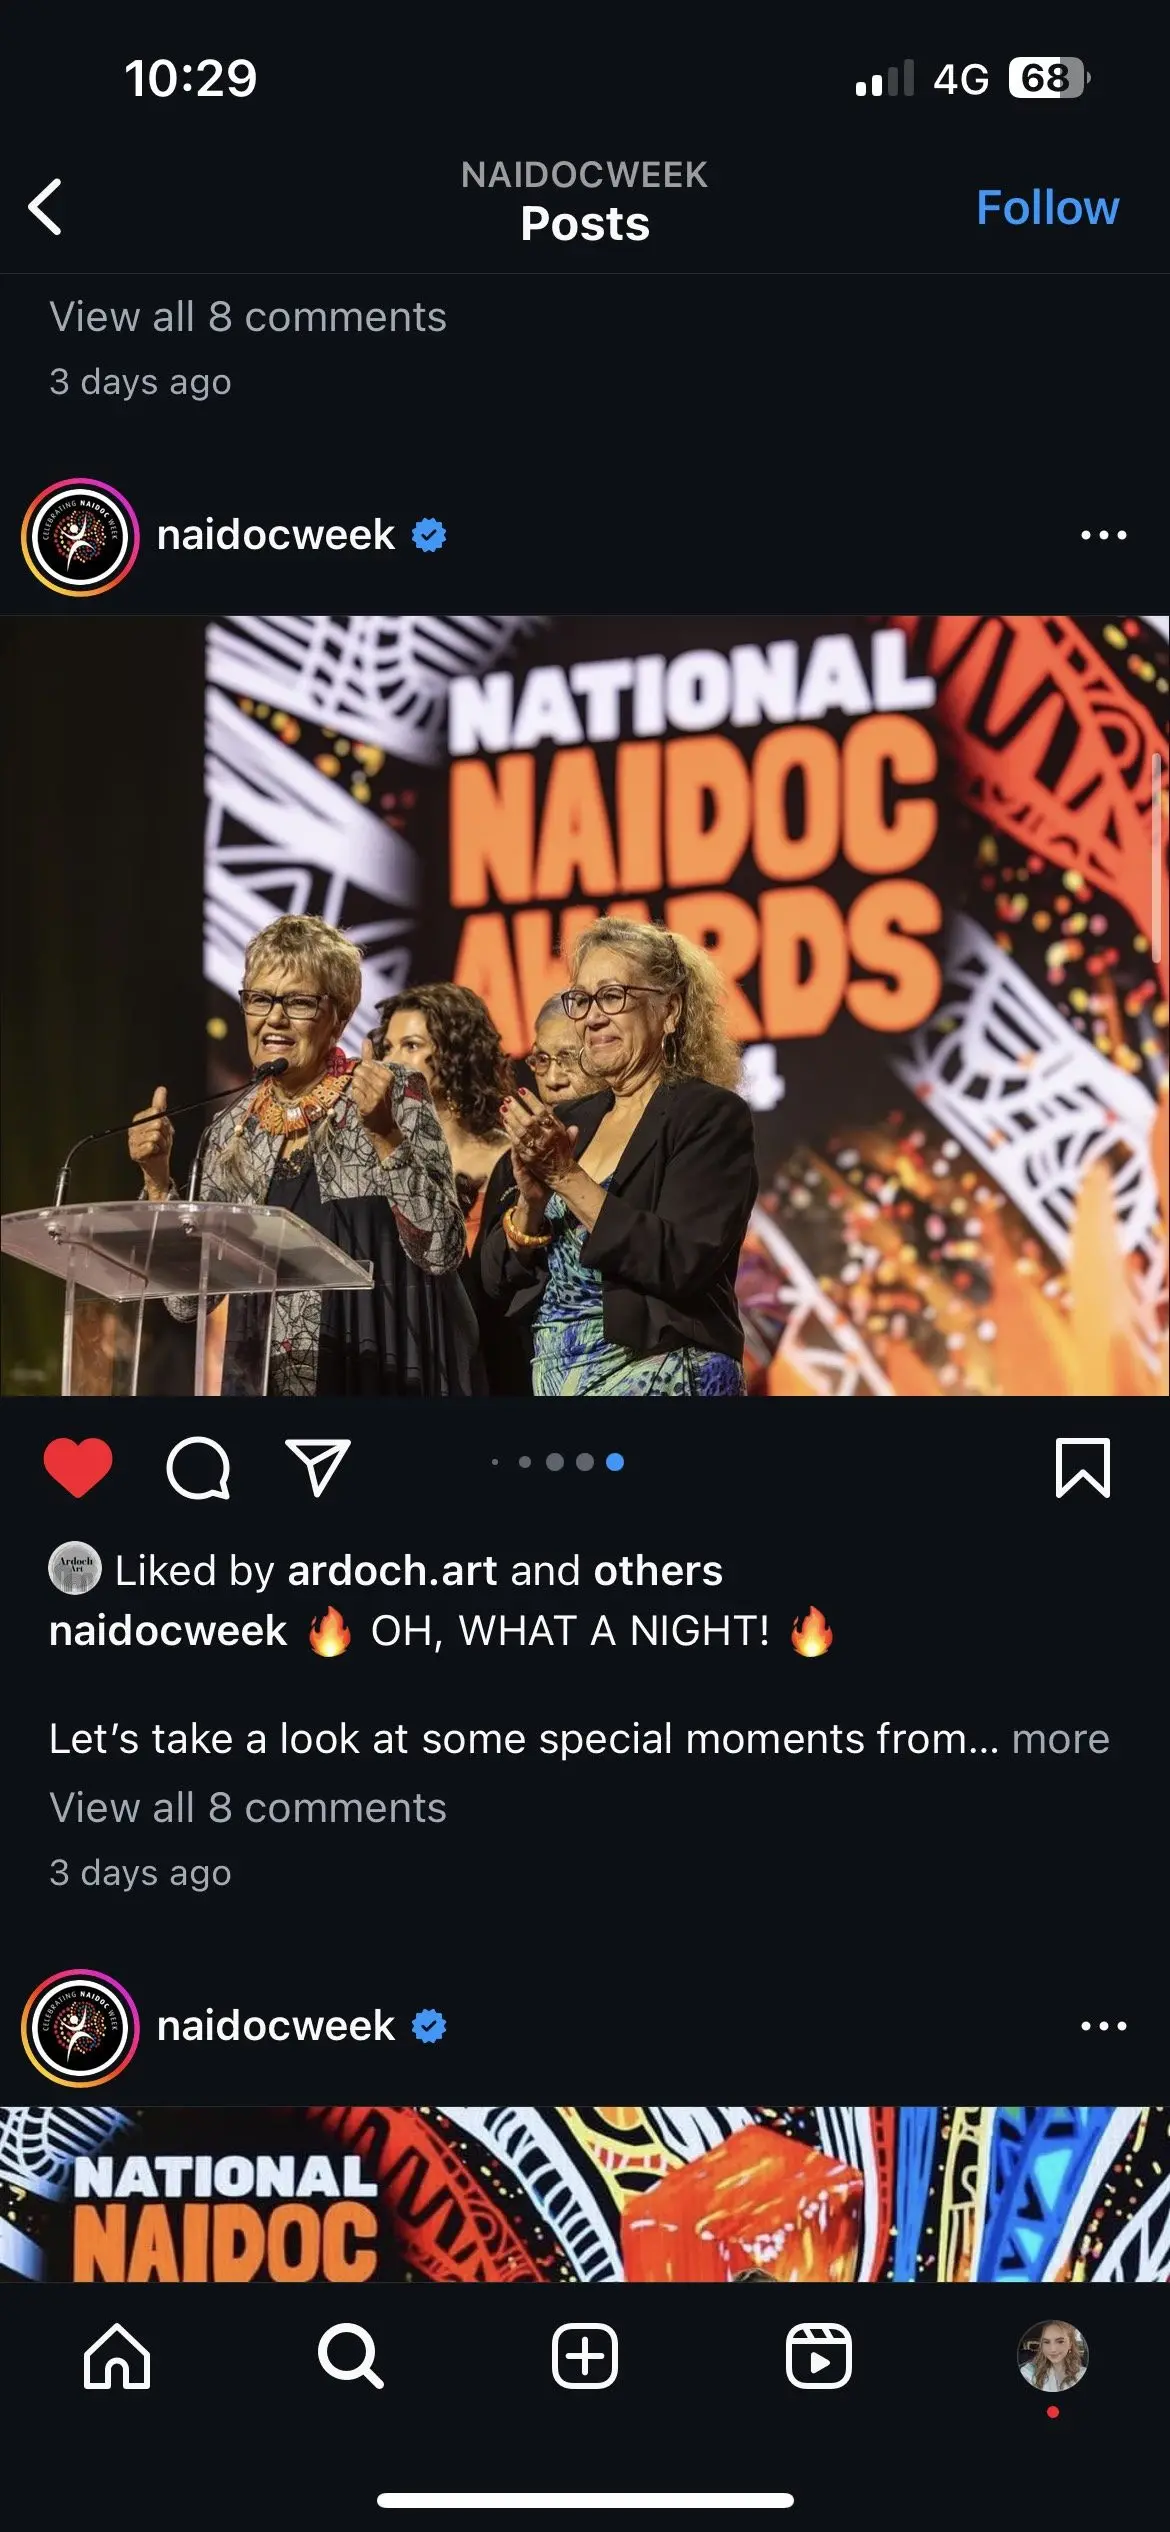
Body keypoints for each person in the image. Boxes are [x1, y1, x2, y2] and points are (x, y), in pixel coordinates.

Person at [128, 916, 473, 1397]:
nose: (274, 1018)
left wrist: (385, 1136)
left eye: (299, 1001)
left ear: (339, 1014)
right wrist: (159, 1181)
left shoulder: (392, 1093)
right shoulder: (231, 1133)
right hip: (268, 1381)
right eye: (260, 998)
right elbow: (187, 1302)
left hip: (380, 1371)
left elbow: (441, 1249)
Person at [480, 918, 757, 1397]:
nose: (592, 1017)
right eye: (582, 1000)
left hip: (664, 1375)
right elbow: (491, 1281)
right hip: (556, 1380)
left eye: (612, 996)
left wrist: (566, 1177)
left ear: (669, 1010)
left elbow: (680, 1262)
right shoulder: (567, 1122)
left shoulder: (706, 1116)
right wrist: (529, 1204)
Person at [374, 983, 512, 1242]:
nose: (390, 1062)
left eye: (411, 1046)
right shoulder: (383, 1150)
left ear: (456, 1053)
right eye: (387, 1047)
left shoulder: (505, 1159)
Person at [1018, 2322, 1087, 2393]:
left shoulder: (1082, 2373)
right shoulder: (1030, 2371)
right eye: (1046, 2342)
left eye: (1060, 2341)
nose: (1052, 2349)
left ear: (1070, 2344)